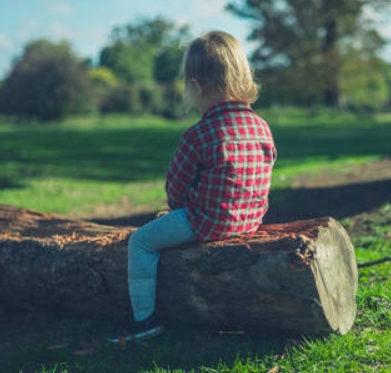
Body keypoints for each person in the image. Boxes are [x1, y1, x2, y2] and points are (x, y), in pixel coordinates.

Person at [109, 30, 277, 343]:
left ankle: (143, 321)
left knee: (140, 243)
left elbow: (175, 189)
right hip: (251, 220)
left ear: (196, 86)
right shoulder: (262, 126)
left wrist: (178, 209)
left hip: (208, 222)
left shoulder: (198, 134)